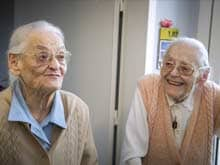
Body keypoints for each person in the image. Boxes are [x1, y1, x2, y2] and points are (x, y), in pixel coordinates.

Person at [0, 20, 98, 165]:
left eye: (60, 56)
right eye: (42, 56)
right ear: (15, 63)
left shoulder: (78, 109)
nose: (55, 65)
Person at [120, 37, 220, 165]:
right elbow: (132, 152)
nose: (173, 73)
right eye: (168, 64)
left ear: (203, 76)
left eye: (185, 68)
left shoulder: (214, 96)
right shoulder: (147, 87)